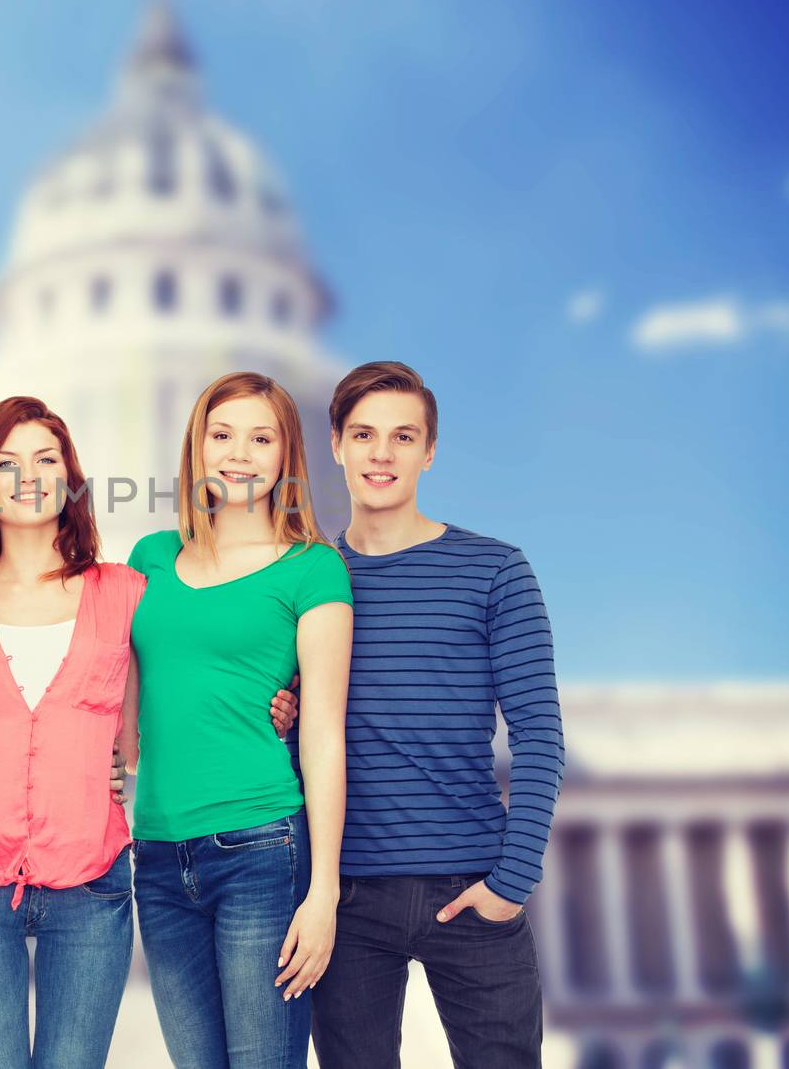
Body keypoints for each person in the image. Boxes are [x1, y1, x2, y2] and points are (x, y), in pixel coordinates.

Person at [0, 396, 300, 1069]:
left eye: (46, 459)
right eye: (7, 464)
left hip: (91, 880)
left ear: (71, 478)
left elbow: (200, 655)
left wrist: (281, 695)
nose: (29, 476)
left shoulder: (128, 589)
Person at [308, 361, 565, 1069]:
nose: (381, 454)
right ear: (336, 444)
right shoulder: (306, 579)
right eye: (363, 435)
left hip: (473, 891)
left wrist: (511, 884)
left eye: (402, 436)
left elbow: (540, 736)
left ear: (429, 451)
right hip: (347, 900)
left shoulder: (495, 570)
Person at [124, 371, 353, 1069]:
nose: (239, 454)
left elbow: (321, 735)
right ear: (197, 447)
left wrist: (323, 895)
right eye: (222, 435)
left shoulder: (313, 569)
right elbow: (121, 714)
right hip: (159, 857)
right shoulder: (149, 559)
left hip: (261, 848)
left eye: (261, 438)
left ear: (287, 455)